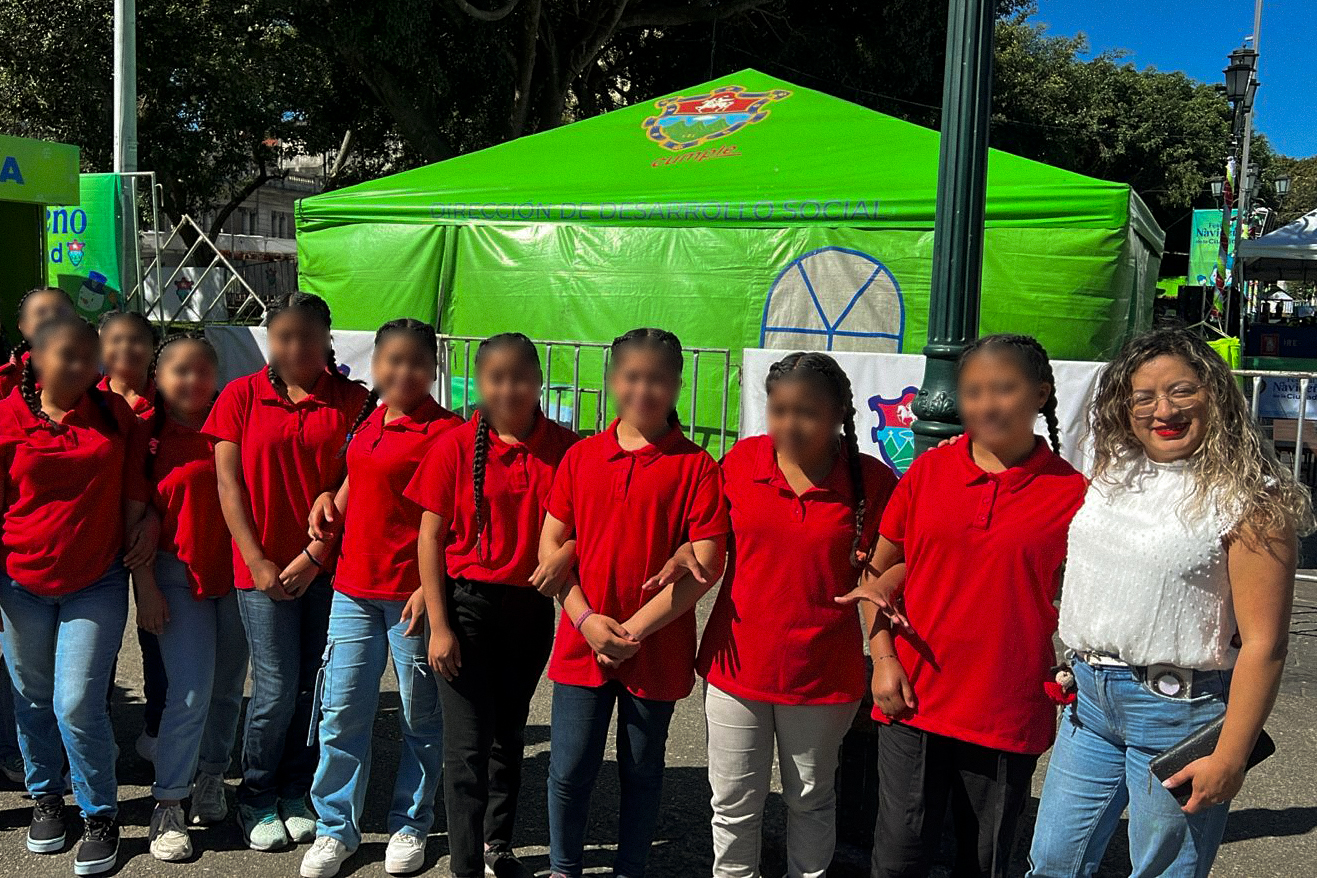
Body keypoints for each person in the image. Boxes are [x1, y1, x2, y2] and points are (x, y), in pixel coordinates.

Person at [1026, 328, 1312, 878]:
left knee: (1164, 871)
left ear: (1215, 395)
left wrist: (1231, 756)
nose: (1164, 411)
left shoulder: (1252, 500)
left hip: (1179, 712)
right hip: (1089, 704)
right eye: (1144, 397)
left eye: (1182, 391)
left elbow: (1266, 644)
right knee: (1053, 861)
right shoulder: (1114, 472)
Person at [839, 334, 1087, 878]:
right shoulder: (928, 472)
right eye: (973, 392)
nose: (986, 404)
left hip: (1006, 706)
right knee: (897, 859)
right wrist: (883, 659)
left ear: (1041, 393)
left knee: (983, 861)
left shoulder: (1075, 494)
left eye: (1004, 389)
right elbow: (878, 572)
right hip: (913, 695)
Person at [686, 352, 897, 878]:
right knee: (732, 803)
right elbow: (705, 539)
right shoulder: (741, 462)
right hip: (736, 668)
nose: (789, 424)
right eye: (778, 410)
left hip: (822, 675)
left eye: (807, 412)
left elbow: (890, 570)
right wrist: (683, 551)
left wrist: (885, 648)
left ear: (840, 414)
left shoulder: (872, 481)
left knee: (810, 799)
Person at [540, 328, 729, 878]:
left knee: (642, 770)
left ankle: (631, 868)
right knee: (569, 769)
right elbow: (551, 547)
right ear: (611, 380)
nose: (643, 390)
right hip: (582, 643)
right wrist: (585, 620)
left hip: (656, 647)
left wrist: (632, 632)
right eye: (631, 377)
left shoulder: (697, 467)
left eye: (658, 379)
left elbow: (706, 566)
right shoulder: (580, 457)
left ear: (677, 385)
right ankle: (564, 867)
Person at [406, 333, 578, 878]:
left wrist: (569, 550)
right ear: (478, 383)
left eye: (521, 377)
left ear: (539, 380)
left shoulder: (567, 449)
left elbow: (592, 523)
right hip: (467, 610)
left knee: (508, 735)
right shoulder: (454, 447)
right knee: (467, 746)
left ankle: (497, 847)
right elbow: (430, 537)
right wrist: (439, 626)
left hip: (530, 610)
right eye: (496, 378)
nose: (509, 389)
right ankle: (465, 865)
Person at [299, 319, 461, 878]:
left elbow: (459, 522)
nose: (403, 372)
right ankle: (334, 829)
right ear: (375, 363)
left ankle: (410, 823)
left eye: (416, 362)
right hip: (352, 588)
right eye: (392, 360)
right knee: (341, 712)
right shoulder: (371, 416)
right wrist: (330, 498)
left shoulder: (447, 433)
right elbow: (359, 477)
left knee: (421, 717)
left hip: (411, 598)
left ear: (434, 367)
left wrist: (429, 588)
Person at [209, 292, 369, 852]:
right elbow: (228, 484)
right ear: (268, 339)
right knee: (275, 689)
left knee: (312, 686)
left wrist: (315, 556)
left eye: (308, 336)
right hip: (262, 571)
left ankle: (297, 788)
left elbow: (359, 479)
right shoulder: (240, 395)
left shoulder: (353, 401)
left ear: (328, 338)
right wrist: (257, 560)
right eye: (284, 336)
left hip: (327, 568)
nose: (296, 347)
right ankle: (255, 792)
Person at [0, 315, 152, 876]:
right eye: (69, 356)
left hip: (97, 580)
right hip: (19, 584)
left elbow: (137, 486)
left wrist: (148, 523)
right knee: (32, 697)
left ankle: (99, 814)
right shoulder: (6, 418)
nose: (83, 367)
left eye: (91, 358)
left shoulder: (113, 415)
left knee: (77, 703)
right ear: (36, 360)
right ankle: (46, 797)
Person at [131, 333, 249, 861]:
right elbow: (134, 517)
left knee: (226, 691)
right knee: (189, 693)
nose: (193, 380)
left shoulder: (234, 426)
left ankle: (211, 778)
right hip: (177, 577)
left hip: (238, 577)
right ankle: (169, 802)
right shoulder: (145, 435)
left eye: (203, 369)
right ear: (157, 378)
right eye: (180, 369)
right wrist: (146, 588)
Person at [97, 310, 168, 768]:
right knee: (97, 646)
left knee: (156, 635)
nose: (126, 349)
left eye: (137, 340)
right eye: (115, 340)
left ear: (153, 347)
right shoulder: (85, 400)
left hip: (153, 540)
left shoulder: (171, 399)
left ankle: (158, 730)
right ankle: (96, 730)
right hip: (96, 541)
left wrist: (155, 517)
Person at [0, 287, 76, 399]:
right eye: (41, 313)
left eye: (62, 312)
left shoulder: (93, 380)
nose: (52, 318)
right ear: (23, 325)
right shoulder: (4, 382)